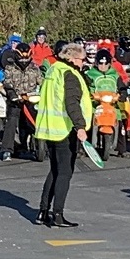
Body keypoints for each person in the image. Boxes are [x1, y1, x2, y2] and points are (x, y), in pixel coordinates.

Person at [35, 43, 93, 227]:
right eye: (82, 60)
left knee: (55, 170)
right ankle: (57, 214)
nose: (84, 64)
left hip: (50, 128)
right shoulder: (70, 74)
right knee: (65, 173)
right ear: (73, 59)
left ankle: (43, 212)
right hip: (64, 130)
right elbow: (72, 103)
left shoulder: (54, 70)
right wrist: (80, 127)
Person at [1, 43, 44, 161]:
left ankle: (37, 145)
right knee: (11, 122)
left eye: (26, 58)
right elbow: (7, 83)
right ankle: (7, 150)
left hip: (31, 100)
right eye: (21, 58)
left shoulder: (35, 68)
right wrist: (12, 94)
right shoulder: (10, 68)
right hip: (15, 100)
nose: (24, 60)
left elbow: (42, 83)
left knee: (35, 121)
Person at [85, 49, 130, 158]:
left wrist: (122, 95)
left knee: (120, 121)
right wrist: (89, 96)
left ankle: (122, 149)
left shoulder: (115, 75)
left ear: (110, 63)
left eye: (106, 63)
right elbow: (85, 87)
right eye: (100, 63)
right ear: (96, 62)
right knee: (87, 122)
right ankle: (84, 148)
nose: (103, 66)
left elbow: (122, 87)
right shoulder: (90, 74)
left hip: (112, 105)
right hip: (95, 105)